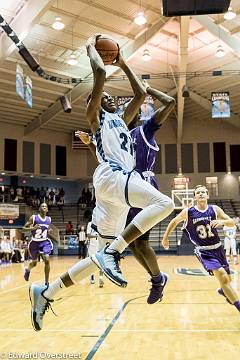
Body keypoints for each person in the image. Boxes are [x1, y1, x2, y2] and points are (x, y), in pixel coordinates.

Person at [29, 34, 174, 331]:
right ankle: (115, 251)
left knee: (98, 258)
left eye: (109, 97)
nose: (109, 97)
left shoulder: (121, 118)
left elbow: (140, 94)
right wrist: (90, 49)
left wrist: (122, 60)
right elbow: (98, 74)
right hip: (112, 176)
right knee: (165, 203)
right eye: (104, 96)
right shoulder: (95, 116)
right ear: (94, 102)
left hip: (116, 189)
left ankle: (46, 292)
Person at [76, 77, 175, 301]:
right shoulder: (115, 133)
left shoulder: (144, 130)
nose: (134, 112)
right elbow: (105, 160)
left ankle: (155, 278)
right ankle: (153, 277)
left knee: (139, 240)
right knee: (135, 243)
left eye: (136, 109)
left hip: (139, 185)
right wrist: (91, 144)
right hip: (121, 186)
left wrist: (146, 89)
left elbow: (168, 103)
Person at [162, 185, 240, 313]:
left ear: (208, 195)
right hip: (204, 251)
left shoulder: (215, 209)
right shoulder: (188, 212)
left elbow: (231, 222)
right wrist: (165, 238)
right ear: (195, 197)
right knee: (223, 277)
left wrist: (222, 222)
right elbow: (174, 222)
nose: (201, 194)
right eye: (198, 192)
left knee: (227, 280)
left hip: (218, 248)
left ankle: (223, 290)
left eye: (204, 192)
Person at [22, 203, 53, 285]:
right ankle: (28, 270)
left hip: (44, 242)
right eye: (42, 206)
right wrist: (33, 228)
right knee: (34, 263)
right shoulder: (34, 217)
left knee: (47, 260)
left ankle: (46, 282)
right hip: (34, 243)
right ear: (39, 209)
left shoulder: (49, 219)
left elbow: (45, 230)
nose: (44, 207)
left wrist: (49, 231)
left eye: (46, 206)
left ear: (47, 209)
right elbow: (22, 229)